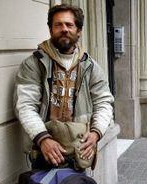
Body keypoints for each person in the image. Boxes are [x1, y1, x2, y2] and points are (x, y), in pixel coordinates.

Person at [14, 4, 114, 169]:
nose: (64, 29)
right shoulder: (34, 64)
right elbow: (25, 106)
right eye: (58, 24)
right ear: (50, 29)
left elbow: (104, 102)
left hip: (79, 153)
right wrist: (43, 139)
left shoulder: (90, 66)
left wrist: (96, 133)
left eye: (69, 25)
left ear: (79, 31)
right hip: (43, 152)